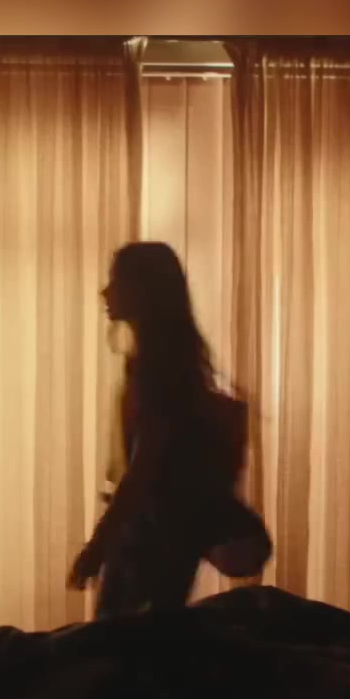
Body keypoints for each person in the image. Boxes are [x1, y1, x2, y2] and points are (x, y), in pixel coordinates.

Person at [69, 242, 257, 617]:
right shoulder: (162, 368)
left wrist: (97, 548)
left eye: (116, 281)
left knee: (127, 639)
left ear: (143, 291)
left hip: (151, 539)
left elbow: (141, 472)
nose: (105, 292)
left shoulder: (158, 374)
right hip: (157, 537)